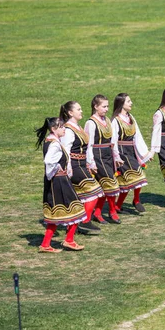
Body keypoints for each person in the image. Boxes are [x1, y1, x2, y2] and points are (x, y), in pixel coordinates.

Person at [35, 117, 86, 253]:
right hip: (58, 181)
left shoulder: (51, 140)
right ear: (53, 129)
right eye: (61, 127)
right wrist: (58, 170)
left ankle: (46, 244)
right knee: (77, 208)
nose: (64, 129)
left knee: (55, 213)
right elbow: (49, 161)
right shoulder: (55, 144)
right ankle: (68, 240)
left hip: (56, 181)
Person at [60, 101, 105, 236]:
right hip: (74, 165)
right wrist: (68, 168)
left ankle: (78, 222)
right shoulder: (68, 130)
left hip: (82, 164)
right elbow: (66, 151)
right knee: (94, 191)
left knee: (84, 195)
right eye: (78, 109)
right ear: (70, 112)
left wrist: (91, 163)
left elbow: (88, 147)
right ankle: (84, 221)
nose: (81, 111)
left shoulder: (77, 127)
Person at [85, 95, 124, 224]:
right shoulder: (91, 123)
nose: (107, 109)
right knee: (111, 184)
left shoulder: (107, 120)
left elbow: (113, 141)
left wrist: (116, 156)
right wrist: (91, 162)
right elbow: (88, 144)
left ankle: (98, 212)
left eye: (107, 106)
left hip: (108, 155)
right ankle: (112, 211)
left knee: (104, 186)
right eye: (104, 106)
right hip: (98, 155)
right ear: (95, 107)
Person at [111, 93, 150, 213]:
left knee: (131, 180)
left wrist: (145, 153)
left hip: (132, 152)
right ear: (121, 103)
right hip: (122, 153)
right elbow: (113, 140)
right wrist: (116, 156)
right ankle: (131, 202)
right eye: (128, 101)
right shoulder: (116, 121)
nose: (131, 103)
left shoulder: (131, 118)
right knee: (131, 179)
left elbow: (137, 136)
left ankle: (130, 202)